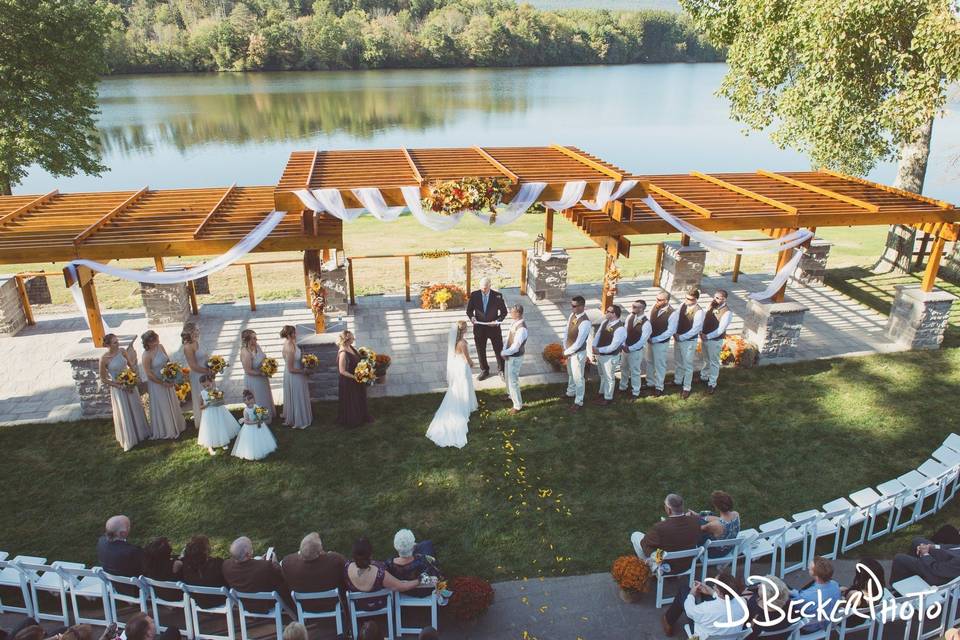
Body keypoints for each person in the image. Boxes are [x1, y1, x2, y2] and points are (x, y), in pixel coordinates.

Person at [426, 321, 478, 448]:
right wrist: (472, 364)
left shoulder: (456, 342)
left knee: (459, 387)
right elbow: (467, 358)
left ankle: (466, 402)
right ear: (463, 330)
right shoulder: (462, 343)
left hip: (458, 366)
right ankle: (465, 405)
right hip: (463, 367)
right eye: (466, 327)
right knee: (464, 386)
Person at [99, 333, 150, 452]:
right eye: (115, 342)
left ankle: (141, 432)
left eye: (117, 341)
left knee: (136, 407)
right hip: (119, 389)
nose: (118, 344)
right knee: (125, 411)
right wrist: (119, 386)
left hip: (130, 384)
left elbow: (130, 365)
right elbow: (103, 378)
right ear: (107, 345)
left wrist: (135, 377)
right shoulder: (104, 359)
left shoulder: (122, 351)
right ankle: (130, 437)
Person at [343, 537, 421, 612]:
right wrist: (419, 580)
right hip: (378, 605)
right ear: (370, 555)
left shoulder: (347, 567)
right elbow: (401, 586)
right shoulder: (380, 573)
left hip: (358, 605)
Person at [660, 571, 747, 638]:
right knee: (703, 596)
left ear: (720, 592)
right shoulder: (743, 602)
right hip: (728, 636)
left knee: (684, 590)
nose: (713, 586)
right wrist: (712, 592)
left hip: (700, 636)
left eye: (715, 586)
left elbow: (689, 611)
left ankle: (668, 621)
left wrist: (691, 594)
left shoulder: (707, 608)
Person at [630, 494, 702, 569]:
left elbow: (644, 543)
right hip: (687, 565)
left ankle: (648, 567)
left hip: (667, 567)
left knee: (636, 535)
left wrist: (655, 554)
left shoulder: (660, 527)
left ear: (669, 509)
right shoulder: (696, 521)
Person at [222, 537, 291, 612]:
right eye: (251, 547)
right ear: (248, 554)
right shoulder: (265, 566)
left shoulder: (226, 565)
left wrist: (258, 562)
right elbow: (280, 578)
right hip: (267, 604)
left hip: (245, 604)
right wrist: (275, 563)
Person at [141, 330, 186, 439]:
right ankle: (166, 428)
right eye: (153, 342)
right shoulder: (146, 355)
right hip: (157, 383)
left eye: (156, 340)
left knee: (171, 401)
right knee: (163, 405)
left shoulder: (160, 347)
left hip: (168, 379)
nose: (156, 343)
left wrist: (172, 373)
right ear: (147, 343)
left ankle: (176, 424)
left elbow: (168, 361)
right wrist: (162, 383)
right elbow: (148, 373)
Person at [465, 276, 508, 381]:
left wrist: (497, 321)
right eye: (482, 288)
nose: (483, 290)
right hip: (479, 328)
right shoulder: (474, 295)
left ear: (490, 286)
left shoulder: (497, 296)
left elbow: (504, 312)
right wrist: (472, 317)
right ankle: (484, 370)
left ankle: (502, 370)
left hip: (494, 328)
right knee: (480, 350)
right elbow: (469, 310)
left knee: (498, 350)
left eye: (485, 288)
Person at [281, 532, 346, 596]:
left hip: (303, 605)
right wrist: (328, 555)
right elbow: (346, 568)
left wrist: (305, 552)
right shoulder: (335, 560)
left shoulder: (287, 563)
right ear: (320, 552)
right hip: (332, 604)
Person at [790, 556, 841, 632]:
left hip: (808, 627)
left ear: (814, 574)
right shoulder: (835, 585)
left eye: (810, 568)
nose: (808, 568)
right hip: (826, 622)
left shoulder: (806, 596)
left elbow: (794, 607)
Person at [385, 529, 441, 597]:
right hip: (425, 591)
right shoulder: (423, 561)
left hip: (403, 592)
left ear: (395, 546)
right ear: (414, 546)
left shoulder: (389, 564)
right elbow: (435, 575)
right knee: (427, 544)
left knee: (426, 544)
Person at [592, 304, 627, 406]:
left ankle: (608, 397)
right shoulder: (605, 322)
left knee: (609, 377)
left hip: (610, 356)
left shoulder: (620, 329)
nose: (606, 312)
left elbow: (613, 346)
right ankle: (602, 392)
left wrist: (599, 350)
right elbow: (598, 335)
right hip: (601, 354)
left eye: (608, 311)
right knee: (602, 375)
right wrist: (594, 346)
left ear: (614, 314)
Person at [890, 535, 960, 585]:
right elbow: (953, 548)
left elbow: (937, 569)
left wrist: (925, 554)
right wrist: (932, 546)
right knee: (917, 541)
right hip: (946, 562)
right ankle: (910, 573)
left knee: (900, 559)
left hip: (937, 575)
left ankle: (896, 588)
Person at [699, 290, 733, 394]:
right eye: (715, 297)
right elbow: (703, 318)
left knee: (714, 362)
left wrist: (707, 336)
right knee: (706, 359)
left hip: (714, 340)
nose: (716, 300)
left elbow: (721, 329)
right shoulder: (711, 305)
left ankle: (712, 383)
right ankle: (704, 376)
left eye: (719, 298)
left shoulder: (727, 312)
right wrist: (700, 331)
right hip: (704, 337)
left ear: (725, 299)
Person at [673, 288, 704, 400]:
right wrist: (675, 332)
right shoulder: (682, 305)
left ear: (696, 299)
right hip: (678, 337)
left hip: (689, 341)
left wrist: (681, 337)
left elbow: (695, 329)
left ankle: (687, 387)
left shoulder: (699, 311)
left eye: (690, 299)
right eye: (686, 298)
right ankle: (677, 380)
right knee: (678, 360)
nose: (687, 300)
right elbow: (677, 319)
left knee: (687, 365)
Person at [336, 330, 372, 427]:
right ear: (347, 340)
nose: (354, 339)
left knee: (358, 398)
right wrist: (355, 377)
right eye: (352, 338)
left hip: (356, 378)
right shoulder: (343, 352)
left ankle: (361, 416)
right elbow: (342, 371)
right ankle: (353, 420)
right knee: (352, 400)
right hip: (348, 381)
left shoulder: (350, 346)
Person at [178, 535, 226, 607]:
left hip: (198, 600)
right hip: (218, 600)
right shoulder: (217, 564)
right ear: (206, 550)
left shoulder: (185, 564)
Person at [196, 374, 239, 455]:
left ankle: (223, 441)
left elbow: (222, 402)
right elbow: (200, 407)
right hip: (208, 413)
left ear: (211, 382)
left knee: (220, 424)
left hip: (218, 411)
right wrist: (207, 404)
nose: (206, 387)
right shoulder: (202, 394)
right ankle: (210, 445)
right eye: (204, 386)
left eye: (208, 385)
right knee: (210, 428)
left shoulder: (216, 390)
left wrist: (217, 401)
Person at [240, 329, 276, 421]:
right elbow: (248, 370)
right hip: (253, 379)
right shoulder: (246, 353)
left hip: (262, 378)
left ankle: (267, 415)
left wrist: (268, 365)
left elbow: (263, 358)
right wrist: (261, 373)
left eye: (256, 338)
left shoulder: (257, 346)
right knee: (258, 398)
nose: (256, 340)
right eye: (254, 338)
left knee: (264, 396)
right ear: (248, 340)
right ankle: (260, 418)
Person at [562, 295, 591, 412]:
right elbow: (566, 331)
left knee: (579, 377)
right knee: (571, 374)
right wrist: (565, 345)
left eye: (574, 306)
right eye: (571, 305)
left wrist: (567, 352)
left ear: (582, 306)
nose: (572, 308)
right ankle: (570, 392)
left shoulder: (585, 322)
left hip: (578, 353)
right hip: (570, 352)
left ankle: (579, 401)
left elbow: (579, 342)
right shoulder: (572, 315)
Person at [280, 325, 312, 429]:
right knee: (297, 396)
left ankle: (299, 416)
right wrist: (304, 371)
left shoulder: (291, 342)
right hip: (294, 375)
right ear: (289, 335)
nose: (296, 334)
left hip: (297, 373)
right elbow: (291, 369)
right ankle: (299, 420)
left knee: (299, 395)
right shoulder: (289, 347)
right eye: (294, 333)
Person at [231, 389, 277, 461]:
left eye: (251, 398)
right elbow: (246, 422)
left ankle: (264, 447)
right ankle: (252, 452)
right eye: (247, 399)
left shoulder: (256, 406)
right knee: (252, 440)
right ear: (244, 401)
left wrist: (262, 416)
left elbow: (260, 413)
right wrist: (255, 422)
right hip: (250, 427)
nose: (250, 400)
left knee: (262, 437)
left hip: (259, 424)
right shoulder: (246, 410)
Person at [181, 321, 212, 425]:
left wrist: (213, 366)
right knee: (203, 398)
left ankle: (214, 417)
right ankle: (205, 422)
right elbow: (193, 366)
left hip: (206, 372)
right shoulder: (187, 347)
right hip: (198, 375)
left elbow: (205, 356)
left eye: (198, 330)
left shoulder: (197, 341)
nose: (198, 332)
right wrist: (207, 372)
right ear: (190, 332)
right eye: (196, 330)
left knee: (211, 395)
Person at [618, 299, 651, 399]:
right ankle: (623, 386)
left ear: (641, 309)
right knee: (623, 368)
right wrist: (623, 344)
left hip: (636, 351)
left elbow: (643, 340)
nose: (632, 308)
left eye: (635, 307)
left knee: (635, 371)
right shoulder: (630, 316)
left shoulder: (646, 324)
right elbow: (625, 331)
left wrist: (631, 348)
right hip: (625, 348)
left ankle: (636, 391)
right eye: (632, 306)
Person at [646, 291, 677, 397]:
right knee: (649, 361)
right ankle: (650, 382)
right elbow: (648, 319)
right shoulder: (654, 306)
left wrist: (655, 339)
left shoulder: (672, 313)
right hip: (650, 340)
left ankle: (659, 386)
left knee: (660, 364)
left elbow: (670, 331)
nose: (657, 301)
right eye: (656, 299)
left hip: (661, 343)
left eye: (659, 300)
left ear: (666, 301)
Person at [744, 575, 793, 640]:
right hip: (782, 636)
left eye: (761, 586)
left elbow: (746, 635)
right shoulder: (790, 605)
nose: (758, 586)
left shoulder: (754, 609)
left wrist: (745, 599)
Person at [693, 490, 741, 555]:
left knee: (699, 524)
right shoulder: (736, 514)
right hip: (729, 547)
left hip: (716, 553)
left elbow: (698, 528)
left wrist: (693, 518)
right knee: (705, 518)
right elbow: (723, 521)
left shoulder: (714, 525)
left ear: (716, 507)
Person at [501, 304, 528, 414]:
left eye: (512, 312)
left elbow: (516, 347)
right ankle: (510, 395)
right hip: (509, 355)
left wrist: (504, 352)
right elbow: (508, 338)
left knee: (513, 381)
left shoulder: (521, 329)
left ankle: (517, 405)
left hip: (515, 357)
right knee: (507, 377)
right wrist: (504, 349)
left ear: (518, 313)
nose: (510, 313)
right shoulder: (514, 322)